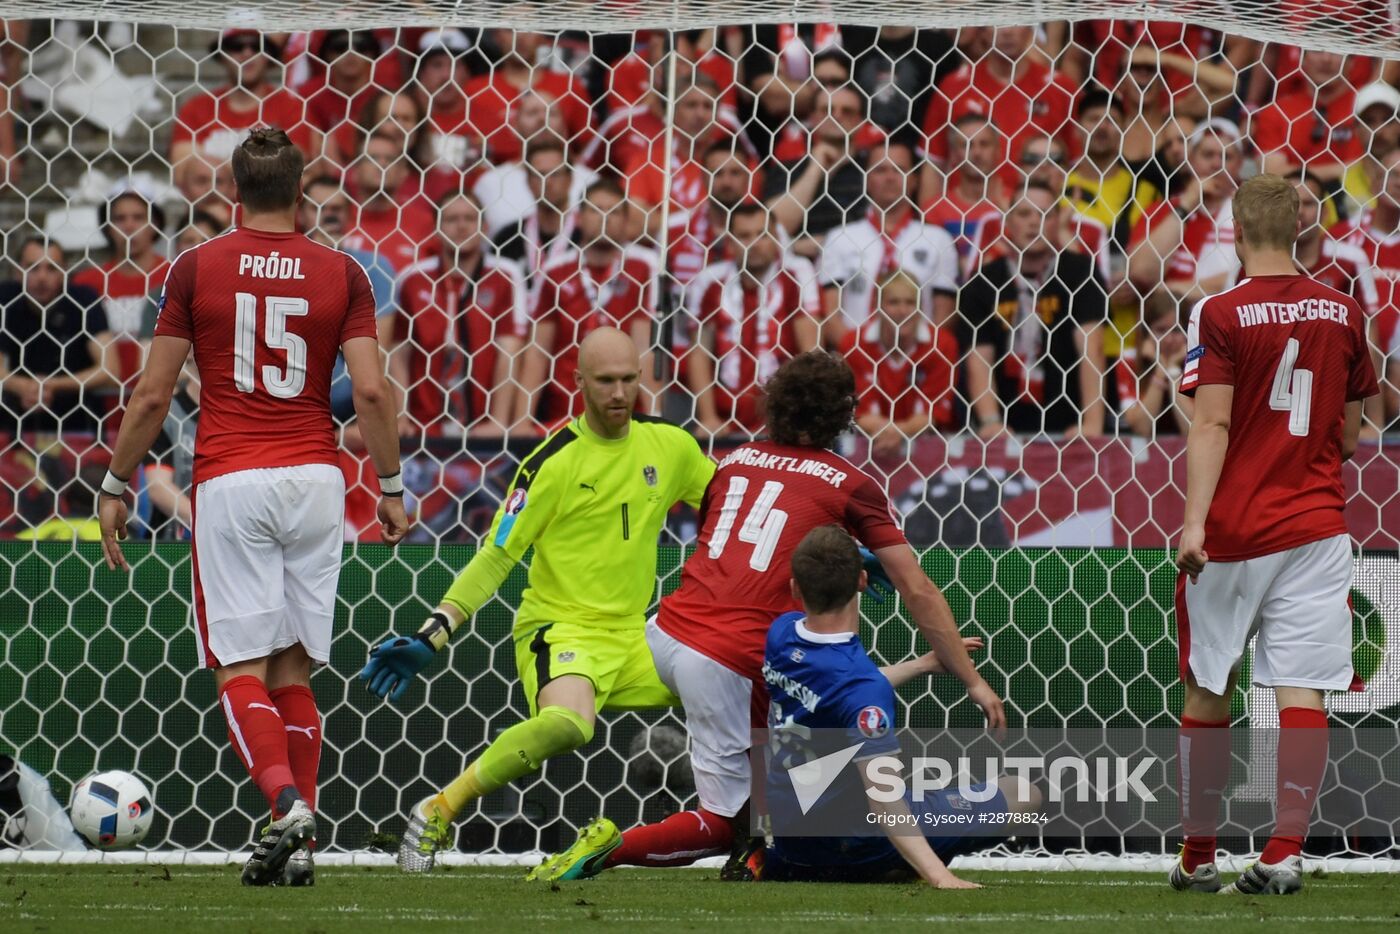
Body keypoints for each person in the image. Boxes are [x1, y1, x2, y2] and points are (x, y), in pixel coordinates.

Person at [527, 358, 1005, 878]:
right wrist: (972, 680)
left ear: (774, 406)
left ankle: (755, 834)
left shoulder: (733, 461)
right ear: (843, 415)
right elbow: (917, 588)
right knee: (725, 818)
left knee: (789, 729)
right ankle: (614, 848)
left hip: (664, 627)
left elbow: (739, 541)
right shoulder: (850, 483)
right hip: (727, 653)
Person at [95, 128, 410, 887]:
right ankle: (297, 849)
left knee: (239, 667)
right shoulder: (345, 273)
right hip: (316, 478)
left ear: (233, 192)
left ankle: (284, 804)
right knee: (294, 670)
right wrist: (393, 486)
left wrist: (114, 482)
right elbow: (371, 390)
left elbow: (154, 393)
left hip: (233, 476)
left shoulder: (196, 267)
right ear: (302, 195)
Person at [358, 327, 715, 874]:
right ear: (577, 383)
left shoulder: (671, 448)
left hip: (636, 638)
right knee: (572, 724)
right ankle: (439, 807)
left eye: (628, 380)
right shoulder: (551, 463)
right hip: (560, 630)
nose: (619, 394)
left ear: (642, 378)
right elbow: (496, 556)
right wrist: (436, 630)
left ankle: (765, 833)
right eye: (605, 382)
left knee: (746, 682)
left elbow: (733, 508)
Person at [1172, 174, 1379, 895]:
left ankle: (1199, 857)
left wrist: (1194, 520)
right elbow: (1352, 434)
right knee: (1303, 692)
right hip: (1317, 525)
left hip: (1233, 530)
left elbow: (1213, 422)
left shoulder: (1217, 311)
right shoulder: (1346, 310)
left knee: (1209, 684)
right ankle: (1285, 851)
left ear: (1236, 228)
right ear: (1299, 227)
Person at [758, 526, 1035, 885]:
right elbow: (883, 798)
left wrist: (921, 665)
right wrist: (940, 877)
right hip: (851, 844)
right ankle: (905, 864)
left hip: (791, 844)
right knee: (1023, 792)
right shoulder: (864, 690)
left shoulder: (781, 634)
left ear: (795, 586)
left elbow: (833, 692)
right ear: (862, 580)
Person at [961, 182, 1107, 440]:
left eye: (1044, 214)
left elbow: (1091, 348)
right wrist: (991, 421)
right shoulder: (983, 280)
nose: (1033, 223)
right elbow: (979, 356)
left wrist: (1092, 424)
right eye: (1024, 214)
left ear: (1057, 223)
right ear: (1007, 222)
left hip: (1068, 424)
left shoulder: (1080, 272)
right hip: (1005, 427)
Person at [516, 180, 661, 426]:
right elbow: (538, 351)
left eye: (613, 211)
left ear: (626, 222)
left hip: (624, 417)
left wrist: (656, 418)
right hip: (564, 415)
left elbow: (644, 349)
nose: (605, 218)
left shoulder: (643, 267)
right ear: (579, 218)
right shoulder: (555, 271)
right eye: (596, 210)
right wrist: (520, 422)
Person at [390, 192, 527, 437]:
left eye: (470, 218)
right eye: (452, 219)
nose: (462, 226)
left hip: (482, 429)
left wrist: (498, 421)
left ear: (484, 227)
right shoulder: (412, 278)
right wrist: (401, 417)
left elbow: (510, 350)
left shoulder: (505, 275)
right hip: (424, 429)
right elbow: (399, 352)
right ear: (436, 228)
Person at [685, 203, 821, 437]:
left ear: (778, 239)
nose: (755, 244)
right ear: (729, 243)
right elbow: (699, 352)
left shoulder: (797, 274)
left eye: (763, 235)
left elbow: (811, 351)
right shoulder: (709, 281)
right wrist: (708, 417)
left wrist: (804, 417)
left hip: (785, 415)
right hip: (725, 418)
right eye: (744, 236)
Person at [819, 141, 958, 340]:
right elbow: (830, 315)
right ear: (866, 179)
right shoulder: (840, 238)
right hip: (853, 359)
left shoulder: (938, 239)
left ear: (914, 180)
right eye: (880, 170)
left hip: (918, 361)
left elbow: (944, 316)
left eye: (899, 169)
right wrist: (858, 355)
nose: (890, 177)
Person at [297, 175, 398, 423]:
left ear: (349, 214)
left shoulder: (374, 267)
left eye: (337, 208)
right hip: (293, 401)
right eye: (318, 208)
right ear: (300, 215)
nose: (329, 215)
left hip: (354, 409)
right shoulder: (289, 265)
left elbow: (377, 351)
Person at [0, 238, 114, 438]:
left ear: (64, 272)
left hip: (80, 426)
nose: (42, 277)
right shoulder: (6, 298)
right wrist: (22, 387)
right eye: (33, 268)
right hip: (18, 427)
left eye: (51, 268)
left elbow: (110, 369)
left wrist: (51, 385)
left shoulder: (84, 299)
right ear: (18, 271)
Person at [843, 271, 960, 453]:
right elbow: (858, 410)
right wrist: (891, 432)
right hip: (866, 447)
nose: (902, 311)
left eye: (910, 303)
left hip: (927, 449)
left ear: (921, 307)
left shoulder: (942, 345)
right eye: (893, 302)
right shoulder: (853, 344)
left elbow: (933, 412)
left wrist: (898, 432)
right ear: (877, 306)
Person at [74, 190, 171, 337]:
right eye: (120, 219)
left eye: (138, 218)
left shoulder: (173, 277)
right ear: (107, 227)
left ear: (155, 224)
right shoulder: (86, 283)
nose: (129, 226)